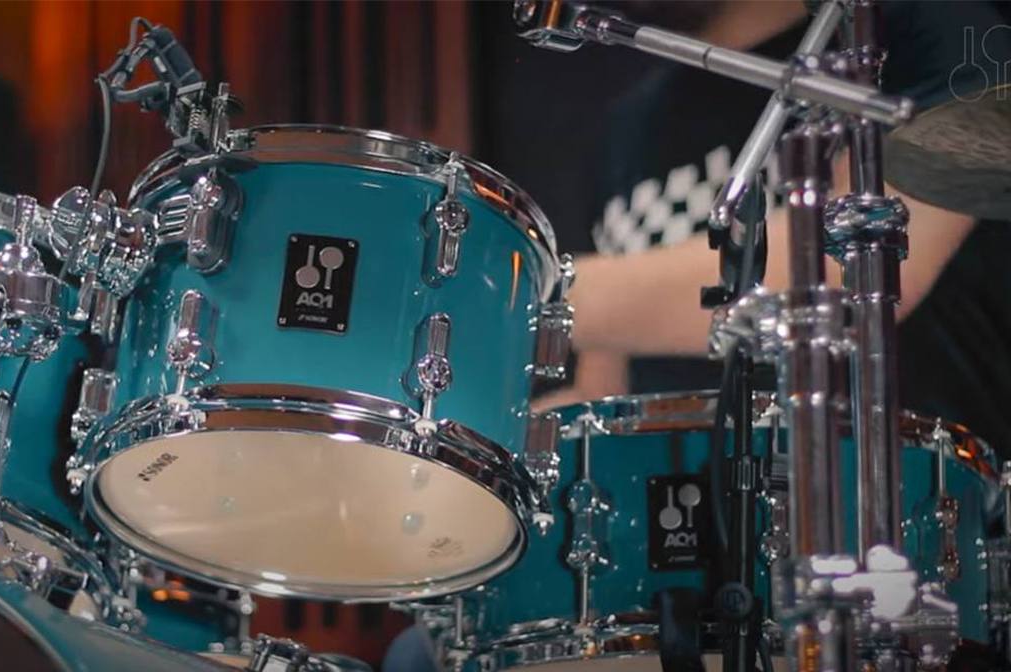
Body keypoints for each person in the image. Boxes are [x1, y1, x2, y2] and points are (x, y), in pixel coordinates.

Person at [385, 2, 1011, 670]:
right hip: (669, 557)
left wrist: (506, 291)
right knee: (428, 653)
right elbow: (602, 395)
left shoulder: (931, 33)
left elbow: (852, 269)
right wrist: (455, 460)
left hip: (897, 540)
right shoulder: (631, 124)